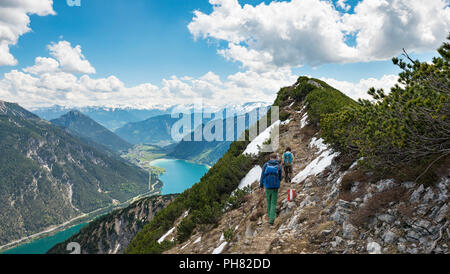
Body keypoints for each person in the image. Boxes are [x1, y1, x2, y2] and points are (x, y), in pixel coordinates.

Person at [260, 153, 282, 226]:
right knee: (273, 203)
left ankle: (269, 216)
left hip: (267, 186)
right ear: (276, 158)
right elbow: (280, 177)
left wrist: (261, 186)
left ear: (270, 158)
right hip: (275, 187)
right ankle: (272, 220)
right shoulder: (278, 165)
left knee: (268, 202)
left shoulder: (266, 165)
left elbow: (262, 175)